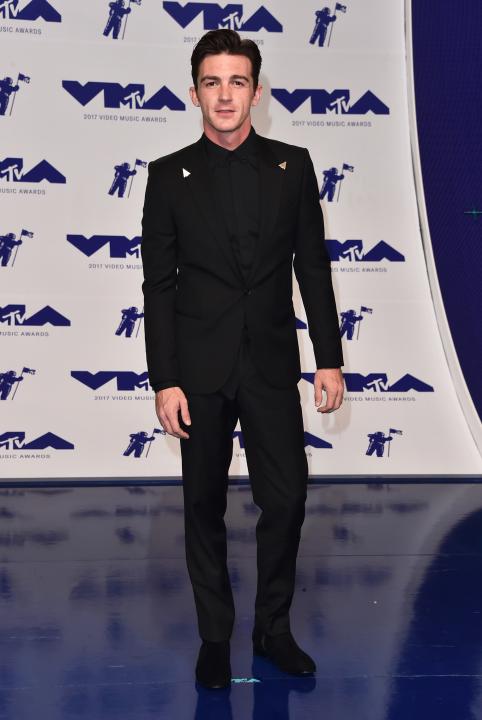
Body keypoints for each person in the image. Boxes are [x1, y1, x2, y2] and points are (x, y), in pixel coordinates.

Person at [141, 29, 344, 689]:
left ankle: (272, 629)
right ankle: (214, 637)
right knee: (202, 504)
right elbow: (158, 287)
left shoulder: (294, 166)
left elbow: (313, 268)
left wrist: (329, 358)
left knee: (286, 499)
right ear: (194, 92)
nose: (224, 95)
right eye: (212, 82)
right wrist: (165, 379)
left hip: (270, 365)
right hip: (198, 371)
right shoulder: (167, 176)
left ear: (257, 92)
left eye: (237, 81)